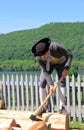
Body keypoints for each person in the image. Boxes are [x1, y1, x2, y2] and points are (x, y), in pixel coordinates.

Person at [31, 38, 73, 115]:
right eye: (41, 56)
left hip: (61, 63)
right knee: (42, 82)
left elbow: (69, 55)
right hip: (48, 66)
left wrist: (66, 69)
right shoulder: (38, 57)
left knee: (62, 82)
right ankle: (43, 107)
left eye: (44, 55)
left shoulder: (56, 47)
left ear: (47, 50)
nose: (42, 57)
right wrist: (51, 84)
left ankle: (62, 108)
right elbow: (45, 72)